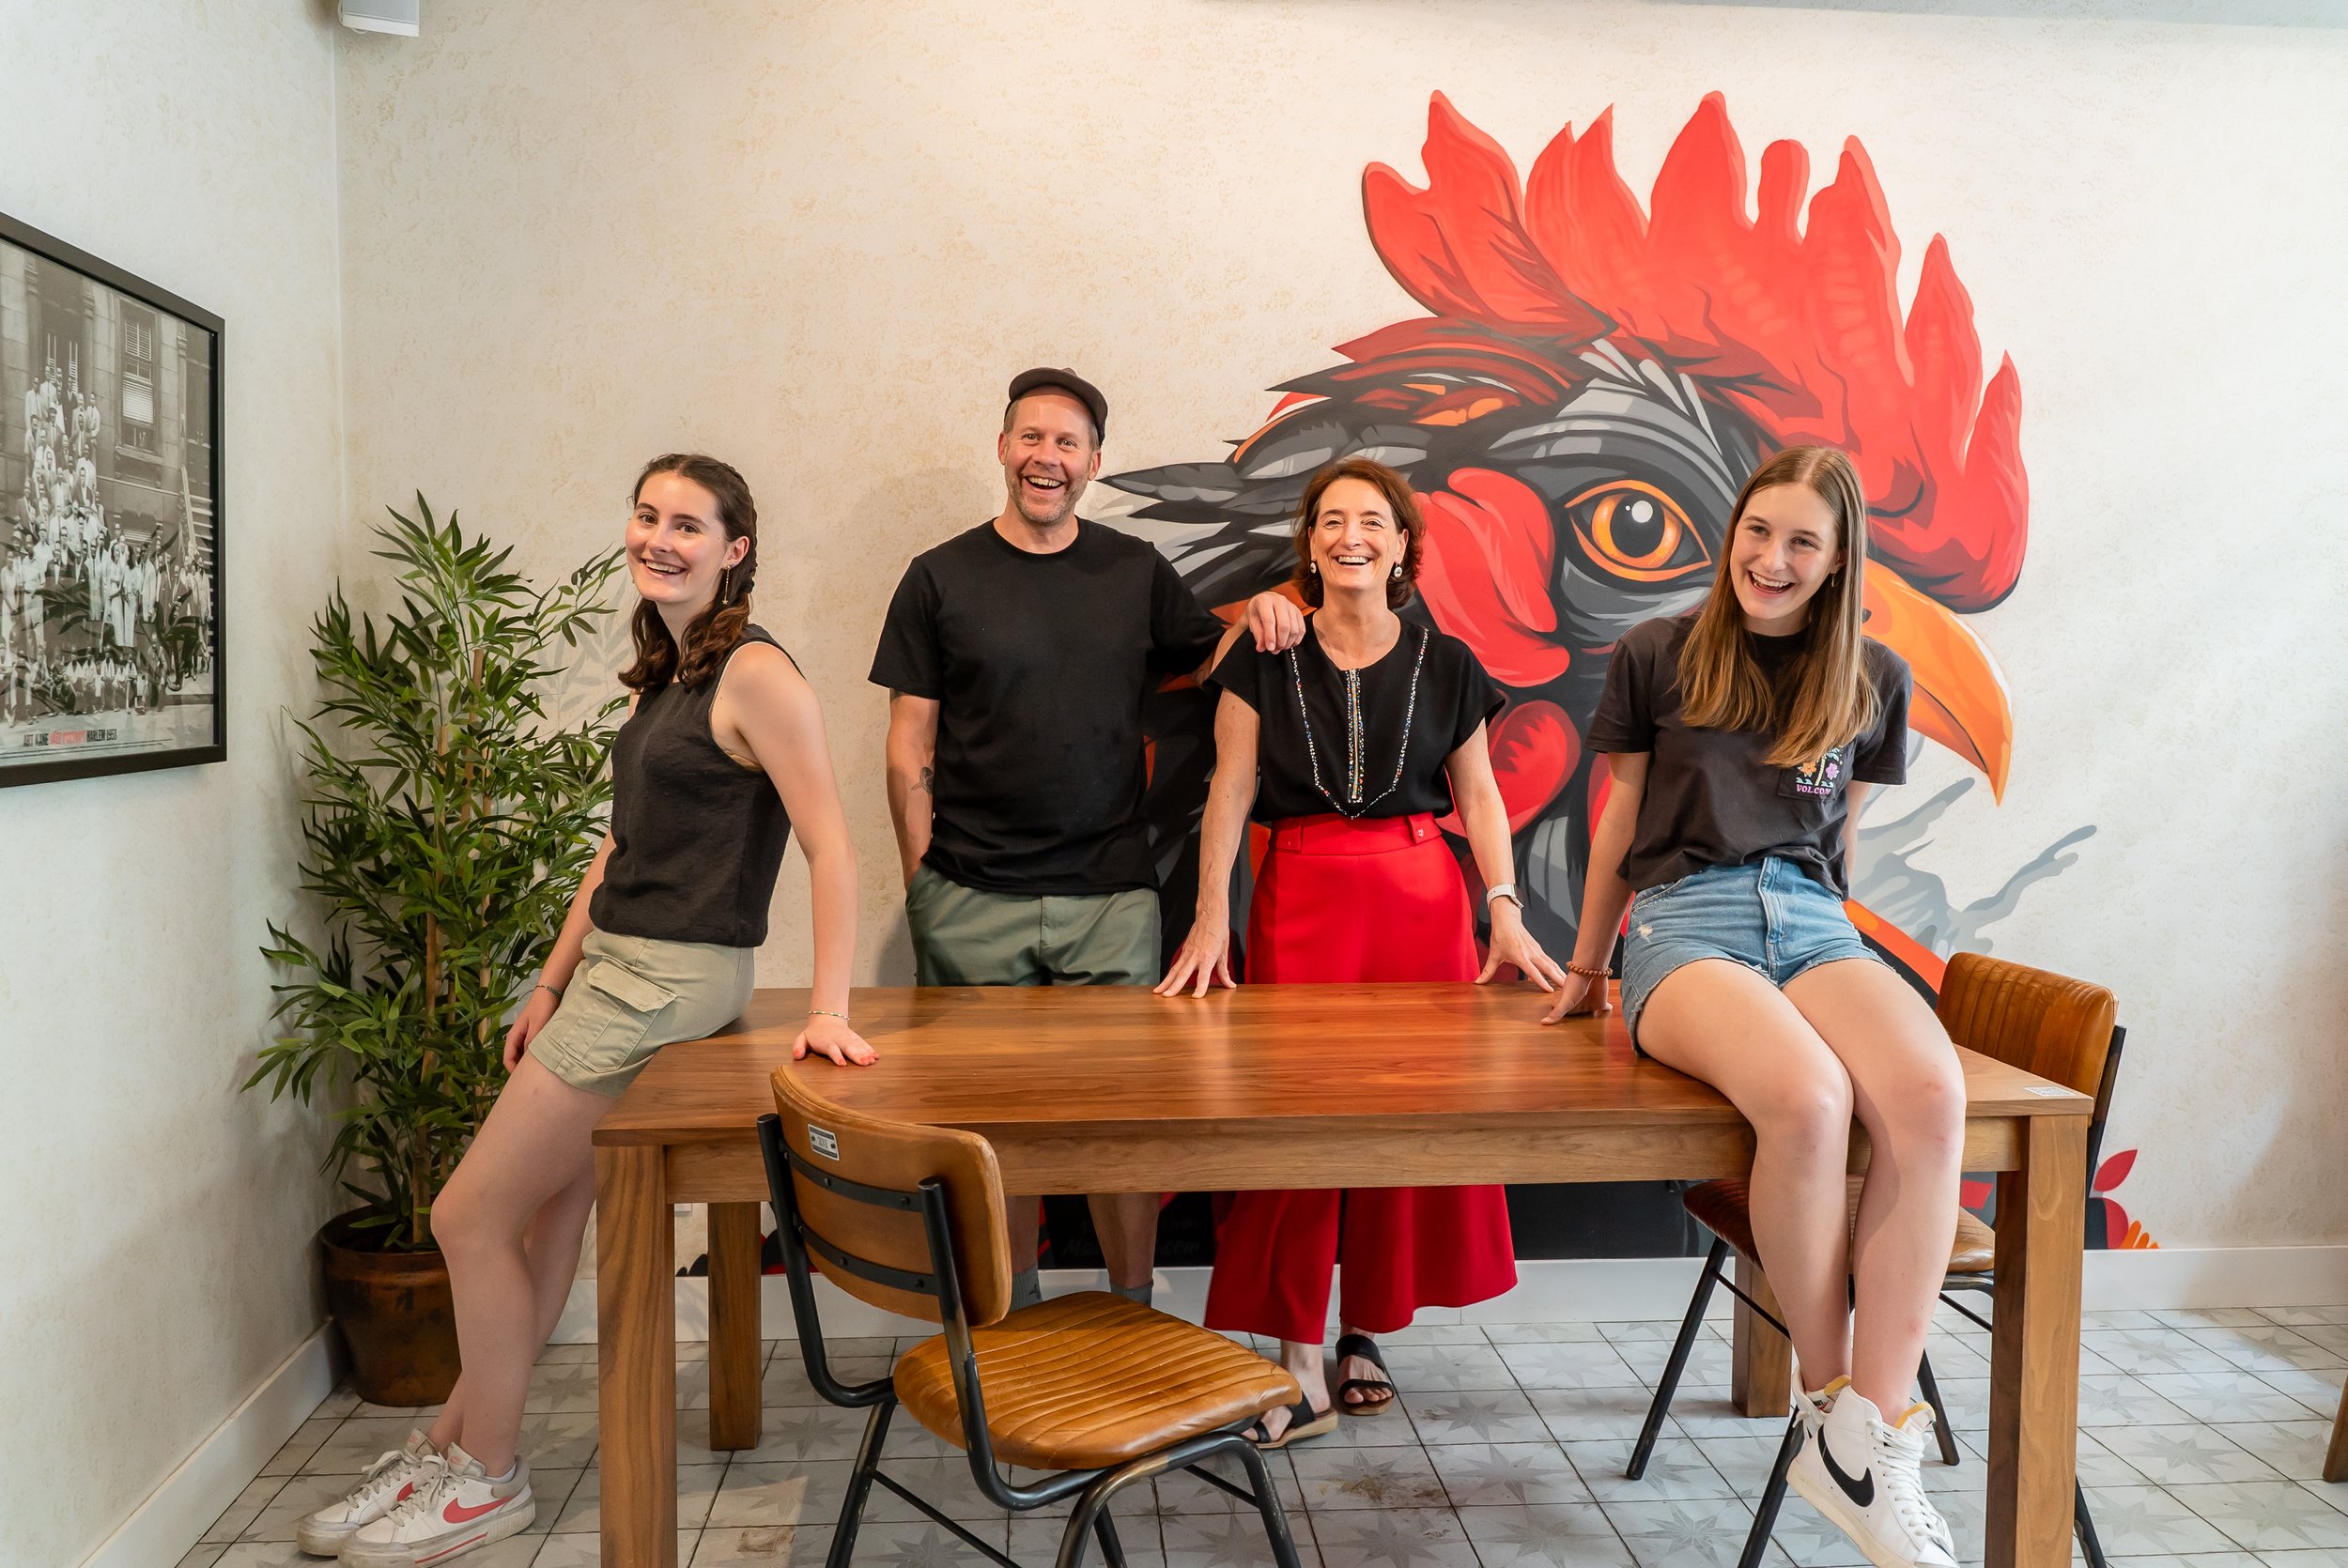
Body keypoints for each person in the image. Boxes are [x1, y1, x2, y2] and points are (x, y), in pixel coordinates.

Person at [298, 453, 876, 1566]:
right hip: (617, 965)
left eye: (688, 524)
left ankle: (486, 1477)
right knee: (540, 1223)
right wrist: (553, 980)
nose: (660, 537)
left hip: (667, 976)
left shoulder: (756, 673)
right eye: (648, 515)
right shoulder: (670, 668)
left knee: (465, 1216)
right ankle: (449, 1442)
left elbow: (832, 843)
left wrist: (831, 1007)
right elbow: (618, 847)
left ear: (735, 549)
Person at [1541, 444, 1964, 1568]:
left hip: (1813, 921)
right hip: (1684, 919)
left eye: (1801, 542)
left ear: (1837, 559)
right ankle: (1828, 1413)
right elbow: (1621, 814)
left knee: (1929, 1094)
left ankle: (1874, 1432)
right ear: (1732, 532)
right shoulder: (1659, 650)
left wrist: (1834, 957)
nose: (1771, 559)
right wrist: (1586, 963)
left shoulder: (1872, 677)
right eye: (1757, 531)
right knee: (1809, 1097)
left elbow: (1840, 842)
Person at [872, 367, 1302, 1310]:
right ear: (1002, 448)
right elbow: (909, 742)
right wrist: (923, 885)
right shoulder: (938, 576)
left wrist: (1264, 609)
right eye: (1031, 437)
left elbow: (1213, 659)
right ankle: (1012, 1315)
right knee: (992, 1128)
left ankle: (1131, 1311)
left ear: (1093, 462)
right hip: (969, 897)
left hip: (1111, 896)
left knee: (1121, 1125)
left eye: (1067, 443)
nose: (1047, 457)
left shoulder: (1132, 570)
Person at [1158, 455, 1567, 1448]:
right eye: (1332, 520)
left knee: (1402, 1126)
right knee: (1292, 1131)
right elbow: (1229, 790)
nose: (1352, 536)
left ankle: (1365, 1330)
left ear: (1401, 545)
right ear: (1309, 543)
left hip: (1422, 905)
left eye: (1372, 521)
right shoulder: (1262, 652)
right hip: (1300, 898)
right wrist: (1211, 918)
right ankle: (1298, 1362)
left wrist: (1504, 909)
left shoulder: (1449, 663)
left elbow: (1479, 796)